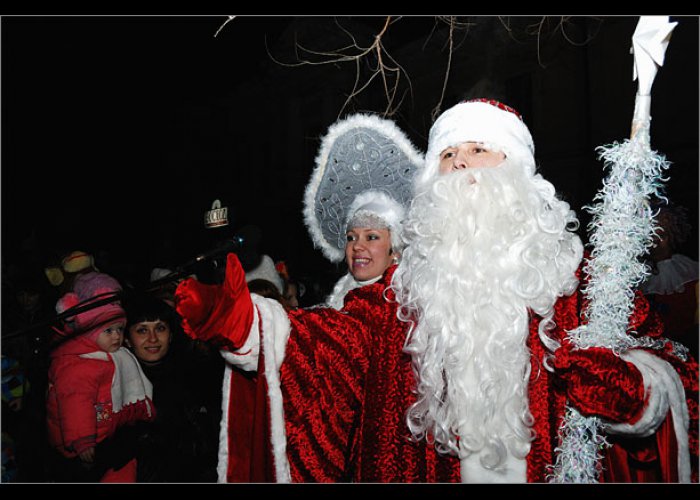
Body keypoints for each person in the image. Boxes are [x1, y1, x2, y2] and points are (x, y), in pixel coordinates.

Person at [389, 98, 698, 482]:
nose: (458, 163)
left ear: (515, 169)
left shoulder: (572, 277)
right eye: (447, 154)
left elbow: (670, 366)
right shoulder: (408, 289)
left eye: (478, 149)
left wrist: (630, 388)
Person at [175, 113, 461, 482]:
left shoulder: (392, 301)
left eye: (372, 237)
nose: (358, 246)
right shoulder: (347, 297)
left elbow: (328, 337)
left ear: (396, 248)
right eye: (352, 237)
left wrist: (249, 320)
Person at [45, 271, 155, 482]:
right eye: (108, 331)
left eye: (119, 329)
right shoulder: (77, 364)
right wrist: (82, 440)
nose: (116, 336)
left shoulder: (110, 356)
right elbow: (75, 404)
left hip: (104, 429)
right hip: (81, 439)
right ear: (89, 332)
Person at [122, 292, 223, 482]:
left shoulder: (196, 375)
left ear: (171, 335)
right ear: (127, 339)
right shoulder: (115, 381)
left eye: (160, 328)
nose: (153, 339)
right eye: (142, 330)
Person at [640, 199, 699, 359]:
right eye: (651, 236)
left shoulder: (690, 270)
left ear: (672, 236)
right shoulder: (640, 273)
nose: (656, 241)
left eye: (663, 235)